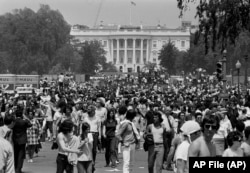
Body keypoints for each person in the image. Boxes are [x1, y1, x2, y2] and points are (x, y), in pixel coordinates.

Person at [116, 109, 139, 173]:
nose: (134, 118)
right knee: (126, 163)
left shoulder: (131, 123)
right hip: (126, 145)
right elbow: (118, 134)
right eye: (134, 116)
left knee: (131, 163)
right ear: (131, 116)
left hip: (132, 144)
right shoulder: (125, 123)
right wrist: (123, 142)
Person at [12, 108, 32, 173]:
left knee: (15, 154)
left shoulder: (13, 122)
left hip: (15, 139)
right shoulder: (24, 121)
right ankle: (19, 168)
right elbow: (30, 124)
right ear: (21, 115)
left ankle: (15, 167)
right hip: (22, 140)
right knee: (21, 155)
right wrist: (26, 117)